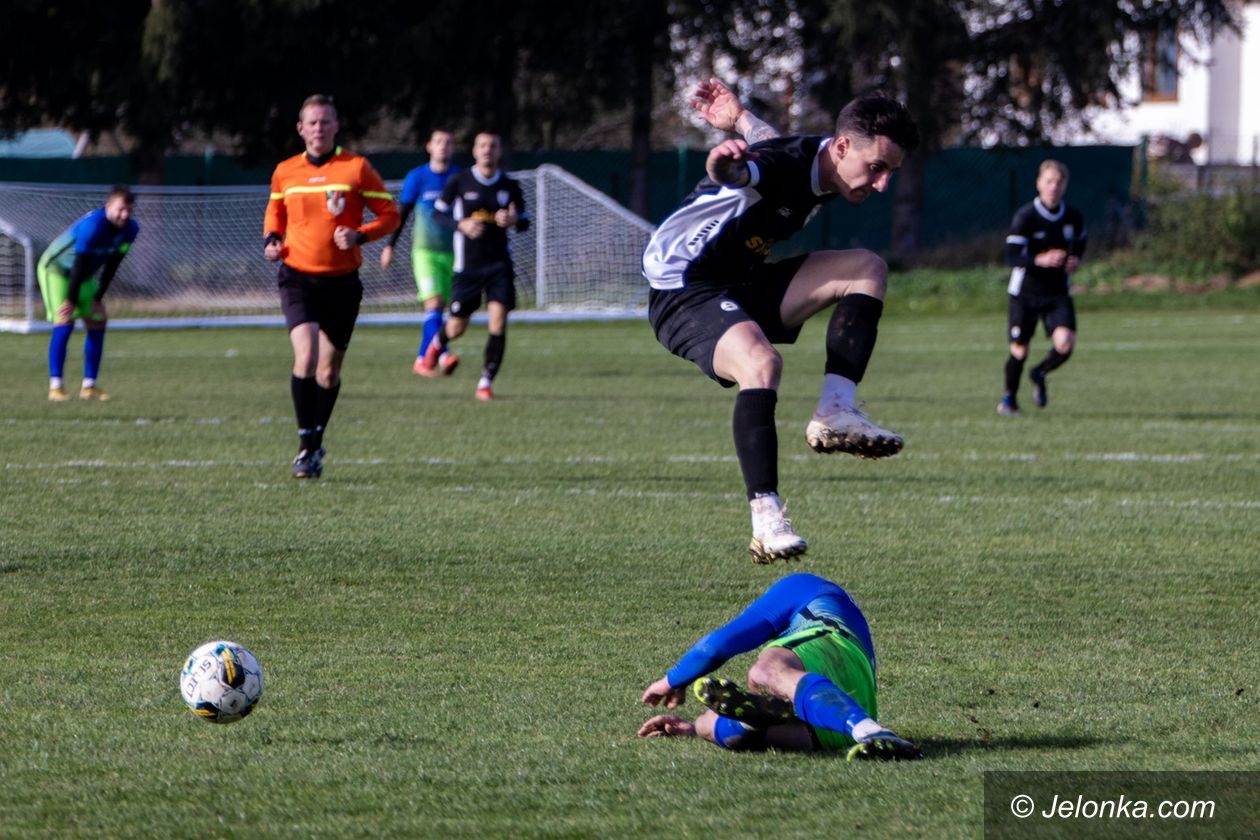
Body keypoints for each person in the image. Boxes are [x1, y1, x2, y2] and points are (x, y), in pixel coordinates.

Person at [643, 78, 919, 562]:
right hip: (683, 287)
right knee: (761, 363)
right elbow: (747, 168)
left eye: (890, 173)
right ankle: (766, 522)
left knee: (866, 269)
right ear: (842, 146)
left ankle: (835, 411)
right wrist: (722, 161)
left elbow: (769, 140)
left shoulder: (823, 162)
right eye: (877, 168)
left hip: (742, 279)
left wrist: (740, 117)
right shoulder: (784, 166)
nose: (881, 184)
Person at [638, 572, 921, 761]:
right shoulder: (829, 602)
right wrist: (689, 729)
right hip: (837, 717)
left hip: (839, 643)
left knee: (765, 671)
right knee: (708, 723)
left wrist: (670, 681)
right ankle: (751, 720)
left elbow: (718, 645)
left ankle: (873, 732)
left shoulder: (802, 585)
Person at [263, 94, 400, 478]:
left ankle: (316, 441)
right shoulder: (285, 171)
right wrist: (271, 240)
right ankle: (306, 447)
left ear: (336, 126)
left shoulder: (356, 168)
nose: (319, 129)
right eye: (312, 122)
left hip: (342, 283)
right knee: (304, 358)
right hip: (297, 277)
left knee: (328, 372)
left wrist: (361, 235)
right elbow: (275, 212)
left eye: (325, 122)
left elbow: (390, 214)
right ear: (300, 128)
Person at [426, 132, 529, 401]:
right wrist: (460, 224)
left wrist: (513, 220)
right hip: (468, 267)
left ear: (499, 152)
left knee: (498, 320)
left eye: (493, 146)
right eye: (482, 145)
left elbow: (524, 222)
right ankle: (438, 343)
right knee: (458, 326)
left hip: (498, 265)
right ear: (474, 151)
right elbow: (437, 213)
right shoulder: (459, 181)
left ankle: (485, 381)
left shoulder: (510, 185)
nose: (487, 150)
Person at [997, 160, 1087, 416]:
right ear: (1039, 184)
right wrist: (1040, 260)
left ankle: (1039, 372)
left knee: (1065, 343)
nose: (1054, 187)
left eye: (1059, 182)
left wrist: (1074, 261)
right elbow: (1012, 257)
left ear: (1065, 186)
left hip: (1057, 292)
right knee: (1019, 350)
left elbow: (1080, 245)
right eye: (1049, 181)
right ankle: (1009, 400)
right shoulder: (1026, 216)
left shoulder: (1073, 217)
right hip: (1025, 293)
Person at [38, 185, 139, 401]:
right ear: (108, 206)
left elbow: (113, 264)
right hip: (56, 270)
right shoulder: (93, 226)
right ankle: (56, 387)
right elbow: (79, 262)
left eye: (129, 210)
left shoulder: (130, 230)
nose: (125, 215)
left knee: (97, 320)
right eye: (120, 209)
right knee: (65, 321)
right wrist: (70, 301)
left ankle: (89, 387)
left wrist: (97, 299)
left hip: (82, 276)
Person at [381, 129, 462, 377]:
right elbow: (402, 214)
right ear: (429, 146)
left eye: (448, 142)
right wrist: (390, 245)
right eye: (438, 142)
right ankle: (444, 354)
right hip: (424, 252)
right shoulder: (417, 177)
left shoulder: (459, 177)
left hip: (454, 252)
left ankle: (422, 358)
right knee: (434, 302)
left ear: (453, 148)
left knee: (442, 309)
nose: (443, 147)